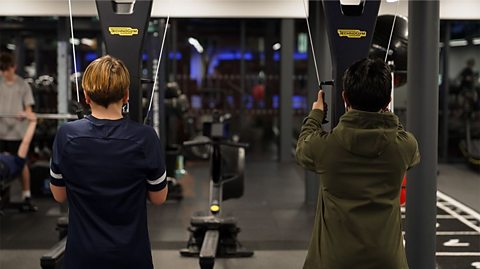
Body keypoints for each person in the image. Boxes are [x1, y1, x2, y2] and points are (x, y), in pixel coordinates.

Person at [296, 58, 420, 269]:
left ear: (345, 98)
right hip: (387, 261)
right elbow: (400, 135)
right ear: (388, 101)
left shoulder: (325, 147)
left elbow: (302, 148)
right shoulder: (404, 146)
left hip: (335, 261)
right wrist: (385, 116)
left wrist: (316, 114)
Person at [49, 55, 168, 269]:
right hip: (131, 258)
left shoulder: (67, 135)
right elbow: (158, 198)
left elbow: (59, 195)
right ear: (126, 95)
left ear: (86, 96)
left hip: (82, 258)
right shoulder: (145, 138)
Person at [0, 52, 37, 210]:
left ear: (13, 68)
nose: (4, 73)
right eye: (2, 70)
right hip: (1, 131)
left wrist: (26, 114)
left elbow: (29, 111)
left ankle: (26, 195)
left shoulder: (23, 85)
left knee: (21, 165)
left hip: (17, 132)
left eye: (6, 70)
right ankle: (4, 196)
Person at [0, 112, 37, 192]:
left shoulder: (18, 163)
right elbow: (25, 142)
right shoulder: (17, 162)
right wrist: (33, 122)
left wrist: (33, 122)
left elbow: (25, 142)